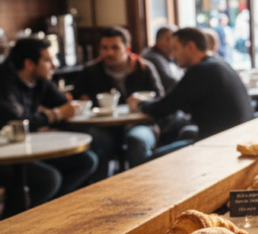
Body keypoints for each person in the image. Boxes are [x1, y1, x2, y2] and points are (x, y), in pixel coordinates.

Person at [0, 38, 98, 210]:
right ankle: (16, 223)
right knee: (49, 179)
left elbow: (64, 106)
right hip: (5, 156)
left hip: (25, 149)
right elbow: (15, 123)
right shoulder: (4, 82)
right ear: (29, 63)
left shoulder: (40, 81)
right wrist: (55, 115)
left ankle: (48, 212)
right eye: (47, 60)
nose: (54, 65)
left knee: (86, 160)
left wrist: (66, 111)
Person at [128, 27, 253, 152]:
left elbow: (165, 107)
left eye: (175, 49)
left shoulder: (201, 70)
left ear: (190, 47)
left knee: (149, 163)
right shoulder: (218, 63)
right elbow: (179, 100)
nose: (172, 55)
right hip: (236, 139)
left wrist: (140, 104)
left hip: (219, 146)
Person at [72, 26, 164, 169]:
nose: (109, 53)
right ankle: (101, 188)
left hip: (141, 124)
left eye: (115, 48)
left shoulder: (143, 68)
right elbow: (77, 99)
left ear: (127, 49)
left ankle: (141, 186)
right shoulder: (90, 71)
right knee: (93, 141)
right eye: (104, 48)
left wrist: (141, 100)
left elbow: (160, 98)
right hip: (105, 128)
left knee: (137, 140)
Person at [140, 25, 183, 92]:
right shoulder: (152, 57)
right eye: (170, 39)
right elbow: (169, 83)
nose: (173, 43)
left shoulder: (169, 55)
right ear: (158, 40)